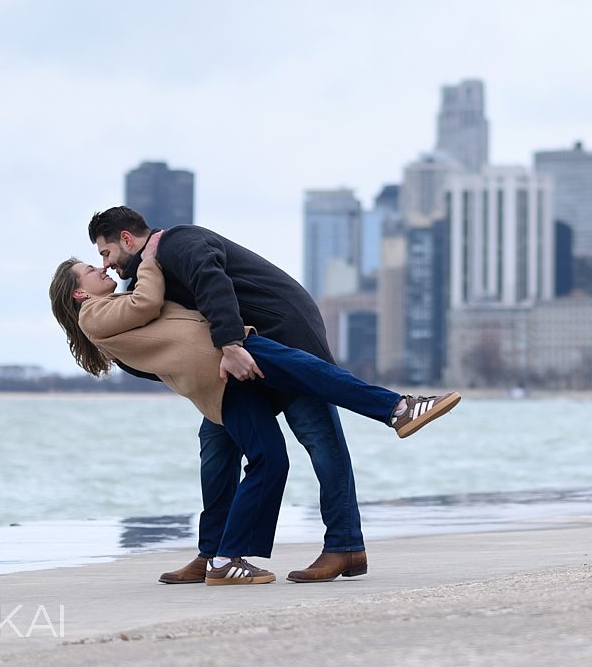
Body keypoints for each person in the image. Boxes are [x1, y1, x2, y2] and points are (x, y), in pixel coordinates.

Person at [50, 231, 460, 584]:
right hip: (227, 364)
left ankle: (292, 544)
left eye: (104, 255)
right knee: (246, 448)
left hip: (249, 346)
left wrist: (215, 352)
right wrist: (203, 362)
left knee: (310, 410)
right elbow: (150, 314)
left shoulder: (176, 245)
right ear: (80, 293)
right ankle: (220, 554)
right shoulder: (115, 302)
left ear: (125, 239)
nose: (104, 266)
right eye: (94, 266)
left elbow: (206, 290)